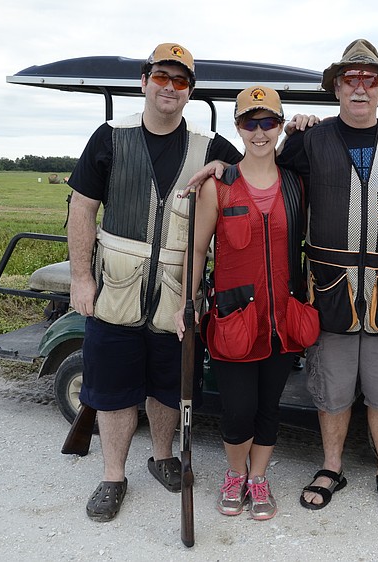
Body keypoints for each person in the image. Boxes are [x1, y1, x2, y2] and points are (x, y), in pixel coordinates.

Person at [67, 42, 242, 522]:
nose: (169, 87)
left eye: (180, 81)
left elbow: (257, 168)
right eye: (161, 77)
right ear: (144, 82)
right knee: (112, 391)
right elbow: (81, 209)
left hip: (176, 297)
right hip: (114, 292)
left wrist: (230, 167)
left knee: (169, 388)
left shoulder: (211, 148)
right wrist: (81, 278)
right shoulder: (109, 138)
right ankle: (113, 477)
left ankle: (162, 456)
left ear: (189, 92)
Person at [276, 38, 378, 518]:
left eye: (370, 80)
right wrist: (287, 134)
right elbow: (268, 179)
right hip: (329, 289)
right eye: (350, 79)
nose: (360, 88)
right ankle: (331, 467)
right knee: (333, 387)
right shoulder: (308, 140)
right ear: (336, 88)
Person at [174, 86, 318, 521]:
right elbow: (198, 250)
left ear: (279, 125)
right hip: (235, 319)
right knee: (238, 410)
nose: (259, 132)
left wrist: (308, 125)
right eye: (250, 123)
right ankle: (234, 474)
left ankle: (259, 478)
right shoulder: (219, 184)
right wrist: (188, 303)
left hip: (282, 321)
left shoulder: (297, 183)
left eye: (269, 122)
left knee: (268, 408)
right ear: (237, 127)